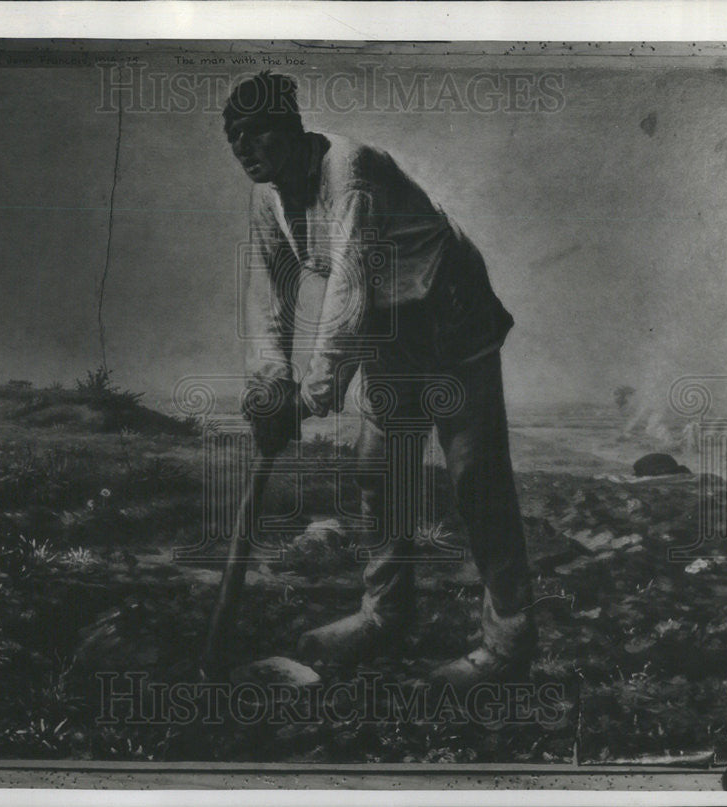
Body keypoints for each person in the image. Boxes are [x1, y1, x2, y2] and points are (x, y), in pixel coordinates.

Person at [224, 71, 536, 691]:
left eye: (256, 134)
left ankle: (509, 643)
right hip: (388, 324)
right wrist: (269, 384)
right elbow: (272, 295)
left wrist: (309, 398)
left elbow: (348, 291)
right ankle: (385, 614)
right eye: (233, 138)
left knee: (475, 476)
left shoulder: (352, 173)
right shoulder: (268, 198)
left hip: (450, 308)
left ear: (291, 129)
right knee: (379, 467)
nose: (243, 149)